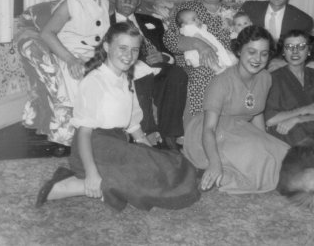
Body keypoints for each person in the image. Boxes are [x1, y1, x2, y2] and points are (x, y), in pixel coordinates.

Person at [35, 22, 200, 212]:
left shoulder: (125, 78)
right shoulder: (94, 81)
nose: (128, 55)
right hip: (95, 146)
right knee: (142, 182)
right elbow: (83, 132)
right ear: (106, 47)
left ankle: (90, 179)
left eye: (135, 50)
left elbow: (131, 121)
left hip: (116, 144)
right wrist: (91, 174)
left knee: (160, 163)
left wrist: (146, 146)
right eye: (122, 48)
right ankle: (63, 187)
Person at [183, 25, 289, 193]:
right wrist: (214, 163)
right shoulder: (221, 82)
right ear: (239, 51)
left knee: (282, 152)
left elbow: (257, 112)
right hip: (211, 133)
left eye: (264, 53)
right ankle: (216, 170)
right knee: (256, 156)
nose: (258, 59)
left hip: (240, 130)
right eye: (251, 52)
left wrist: (264, 140)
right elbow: (208, 129)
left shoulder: (266, 78)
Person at [110, 0, 188, 149]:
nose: (129, 0)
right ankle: (147, 135)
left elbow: (171, 51)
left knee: (177, 74)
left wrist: (164, 57)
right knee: (138, 77)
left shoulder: (153, 21)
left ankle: (170, 136)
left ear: (139, 1)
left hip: (158, 72)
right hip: (130, 71)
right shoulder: (105, 23)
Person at [41, 0, 114, 107]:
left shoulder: (107, 5)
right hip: (73, 56)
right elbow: (47, 33)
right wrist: (70, 59)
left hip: (97, 56)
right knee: (83, 79)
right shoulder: (71, 3)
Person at [163, 0, 234, 118]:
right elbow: (170, 40)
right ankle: (199, 122)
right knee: (207, 73)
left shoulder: (233, 13)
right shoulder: (186, 10)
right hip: (195, 66)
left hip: (228, 64)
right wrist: (198, 44)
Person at [264, 29, 314, 146]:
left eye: (301, 47)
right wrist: (306, 110)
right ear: (283, 51)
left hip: (313, 130)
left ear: (308, 50)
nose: (295, 51)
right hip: (286, 132)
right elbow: (270, 120)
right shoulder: (274, 78)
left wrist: (298, 119)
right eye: (289, 47)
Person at [176, 9, 237, 74]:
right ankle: (217, 69)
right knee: (210, 58)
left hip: (206, 50)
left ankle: (230, 65)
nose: (197, 20)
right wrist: (211, 45)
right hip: (200, 52)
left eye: (197, 18)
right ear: (183, 25)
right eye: (194, 19)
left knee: (227, 55)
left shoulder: (197, 28)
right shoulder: (189, 29)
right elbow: (200, 39)